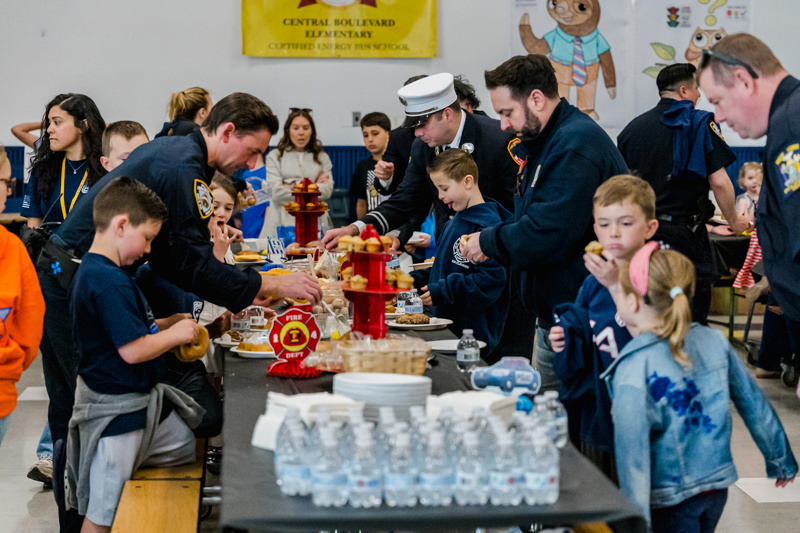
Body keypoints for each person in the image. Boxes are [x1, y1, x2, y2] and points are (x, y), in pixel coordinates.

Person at [44, 92, 322, 533]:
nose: (252, 164)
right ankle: (79, 520)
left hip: (81, 271)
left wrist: (245, 291)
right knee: (81, 413)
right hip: (75, 278)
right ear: (227, 132)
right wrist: (265, 283)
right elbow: (188, 261)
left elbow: (173, 259)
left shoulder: (185, 151)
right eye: (252, 151)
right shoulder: (183, 168)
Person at [601, 244, 797, 531]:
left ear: (631, 303)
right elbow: (754, 405)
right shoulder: (715, 342)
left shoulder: (632, 369)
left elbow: (634, 461)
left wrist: (635, 523)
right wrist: (780, 459)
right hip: (716, 488)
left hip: (668, 498)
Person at [461, 54, 628, 388]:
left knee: (569, 426)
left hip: (583, 318)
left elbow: (547, 232)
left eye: (507, 112)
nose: (504, 124)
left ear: (536, 98)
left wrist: (488, 241)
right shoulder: (547, 141)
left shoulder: (574, 145)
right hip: (556, 313)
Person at [65, 177, 204, 532]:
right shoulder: (107, 281)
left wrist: (166, 322)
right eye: (147, 239)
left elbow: (126, 328)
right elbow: (131, 349)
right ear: (122, 224)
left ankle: (146, 492)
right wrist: (173, 335)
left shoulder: (103, 273)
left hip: (139, 402)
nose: (146, 251)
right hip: (117, 413)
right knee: (102, 514)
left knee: (185, 445)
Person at [697, 33, 800, 395]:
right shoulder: (787, 119)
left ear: (743, 79)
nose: (719, 118)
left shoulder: (793, 125)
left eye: (718, 102)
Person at [322, 72, 518, 252]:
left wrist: (489, 241)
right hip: (449, 251)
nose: (417, 133)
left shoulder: (498, 139)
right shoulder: (423, 146)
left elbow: (516, 209)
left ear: (447, 114)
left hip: (493, 256)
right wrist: (355, 228)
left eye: (422, 124)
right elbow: (406, 199)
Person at [617, 63, 749, 324]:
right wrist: (734, 221)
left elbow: (621, 185)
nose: (699, 94)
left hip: (641, 233)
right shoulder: (699, 123)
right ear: (684, 90)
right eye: (697, 88)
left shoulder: (631, 130)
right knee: (689, 308)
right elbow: (720, 181)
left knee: (650, 305)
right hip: (683, 234)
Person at [548, 175, 658, 482]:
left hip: (643, 409)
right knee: (598, 487)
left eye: (625, 223)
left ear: (649, 228)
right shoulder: (592, 281)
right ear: (595, 229)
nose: (614, 233)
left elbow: (656, 338)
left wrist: (615, 284)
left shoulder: (657, 275)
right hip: (599, 407)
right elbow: (580, 325)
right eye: (605, 224)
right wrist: (565, 338)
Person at [410, 149, 511, 362]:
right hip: (448, 329)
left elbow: (492, 281)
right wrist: (415, 281)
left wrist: (445, 289)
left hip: (472, 337)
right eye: (437, 189)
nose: (439, 196)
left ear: (467, 182)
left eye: (444, 188)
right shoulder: (454, 222)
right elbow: (445, 268)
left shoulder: (488, 228)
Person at [0, 167, 45, 447]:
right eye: (5, 181)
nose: (9, 190)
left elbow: (30, 320)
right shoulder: (10, 250)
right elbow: (29, 330)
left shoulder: (11, 249)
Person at [21, 93, 106, 228]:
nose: (49, 129)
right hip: (49, 248)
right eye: (49, 123)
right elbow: (33, 229)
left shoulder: (105, 168)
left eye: (57, 122)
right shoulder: (42, 170)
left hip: (90, 248)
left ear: (83, 125)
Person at [260, 108, 333, 242]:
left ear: (312, 131)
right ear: (288, 130)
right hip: (280, 220)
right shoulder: (275, 156)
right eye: (296, 128)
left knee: (317, 259)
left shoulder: (322, 157)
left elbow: (327, 191)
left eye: (305, 128)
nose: (301, 133)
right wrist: (314, 187)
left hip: (315, 222)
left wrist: (290, 185)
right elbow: (276, 193)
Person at [349, 112, 392, 219]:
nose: (370, 139)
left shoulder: (398, 163)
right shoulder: (362, 166)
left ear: (388, 134)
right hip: (373, 227)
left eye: (375, 133)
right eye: (365, 135)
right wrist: (362, 227)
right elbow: (361, 203)